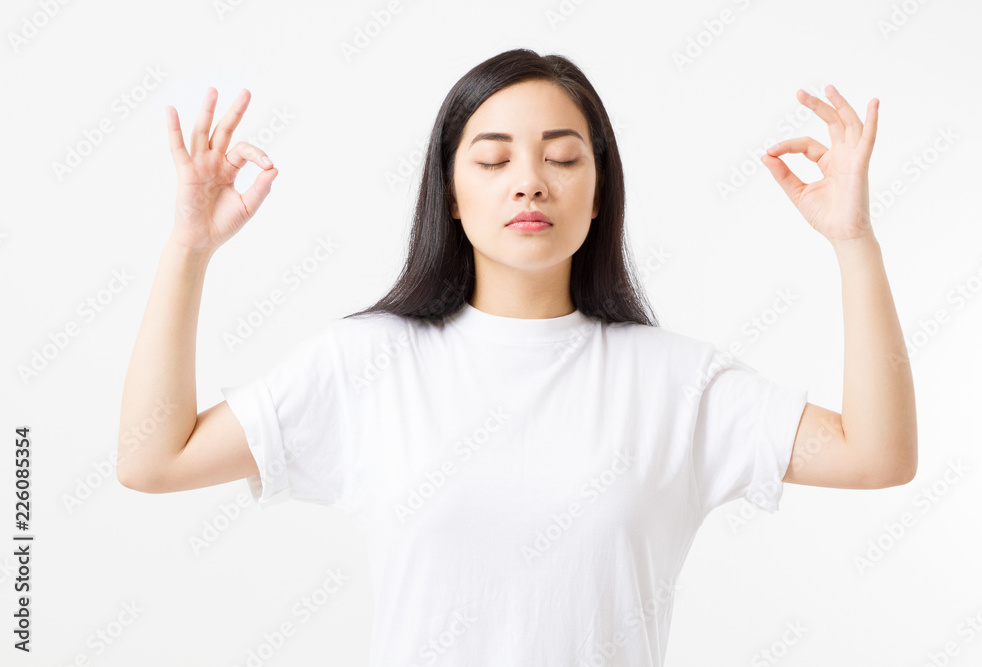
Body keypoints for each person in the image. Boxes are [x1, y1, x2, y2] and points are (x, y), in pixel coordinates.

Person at [117, 48, 917, 666]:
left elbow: (877, 455)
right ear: (451, 191)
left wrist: (854, 241)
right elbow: (155, 459)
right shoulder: (365, 363)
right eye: (494, 160)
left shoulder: (677, 382)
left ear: (599, 191)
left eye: (564, 158)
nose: (529, 182)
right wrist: (189, 247)